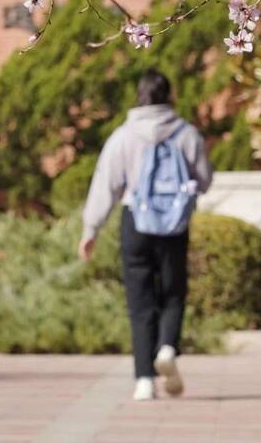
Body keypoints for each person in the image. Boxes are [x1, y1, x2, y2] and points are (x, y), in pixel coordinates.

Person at [78, 69, 213, 401]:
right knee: (173, 293)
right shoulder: (187, 134)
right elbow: (206, 180)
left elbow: (105, 184)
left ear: (138, 96)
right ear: (170, 95)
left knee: (140, 302)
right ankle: (167, 347)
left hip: (135, 222)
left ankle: (144, 380)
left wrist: (90, 229)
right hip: (174, 225)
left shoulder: (123, 136)